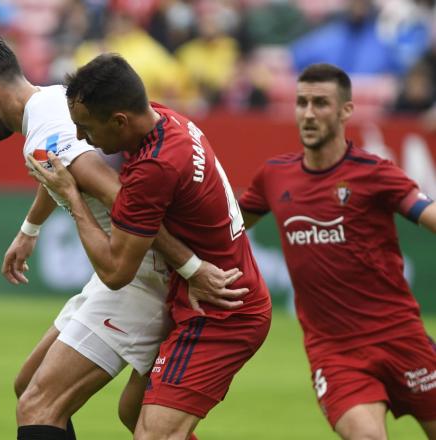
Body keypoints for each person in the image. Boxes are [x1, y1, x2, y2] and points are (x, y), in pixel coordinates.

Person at [0, 34, 247, 439]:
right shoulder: (52, 100)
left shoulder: (46, 132)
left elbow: (119, 197)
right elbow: (59, 172)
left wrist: (188, 265)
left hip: (140, 275)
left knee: (39, 405)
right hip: (129, 272)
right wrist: (30, 229)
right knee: (32, 387)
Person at [28, 53, 272, 439]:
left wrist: (72, 199)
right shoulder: (165, 120)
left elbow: (115, 271)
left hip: (221, 315)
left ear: (119, 121)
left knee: (153, 434)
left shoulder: (154, 168)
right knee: (132, 412)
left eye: (86, 128)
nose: (80, 139)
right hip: (206, 294)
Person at [237, 63, 436, 439]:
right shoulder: (274, 176)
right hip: (335, 352)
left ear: (346, 110)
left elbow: (426, 212)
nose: (308, 113)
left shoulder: (375, 173)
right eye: (302, 103)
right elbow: (225, 228)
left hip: (401, 337)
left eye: (320, 103)